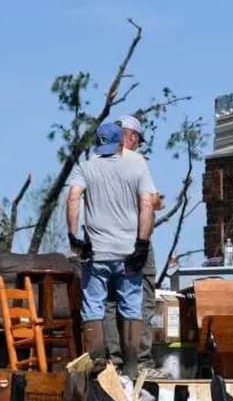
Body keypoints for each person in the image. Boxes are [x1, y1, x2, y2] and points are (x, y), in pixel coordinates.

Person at [67, 121, 159, 377]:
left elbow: (74, 198)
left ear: (98, 143)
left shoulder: (85, 168)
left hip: (96, 252)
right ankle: (131, 366)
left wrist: (74, 237)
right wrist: (142, 242)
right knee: (131, 306)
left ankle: (100, 366)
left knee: (94, 306)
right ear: (121, 141)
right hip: (128, 251)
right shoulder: (137, 165)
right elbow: (148, 204)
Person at [115, 115, 169, 379]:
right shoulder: (137, 162)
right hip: (137, 240)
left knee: (112, 300)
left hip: (108, 242)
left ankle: (114, 364)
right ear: (132, 136)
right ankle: (142, 364)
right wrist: (157, 202)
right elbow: (150, 200)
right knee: (143, 299)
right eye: (136, 138)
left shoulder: (98, 163)